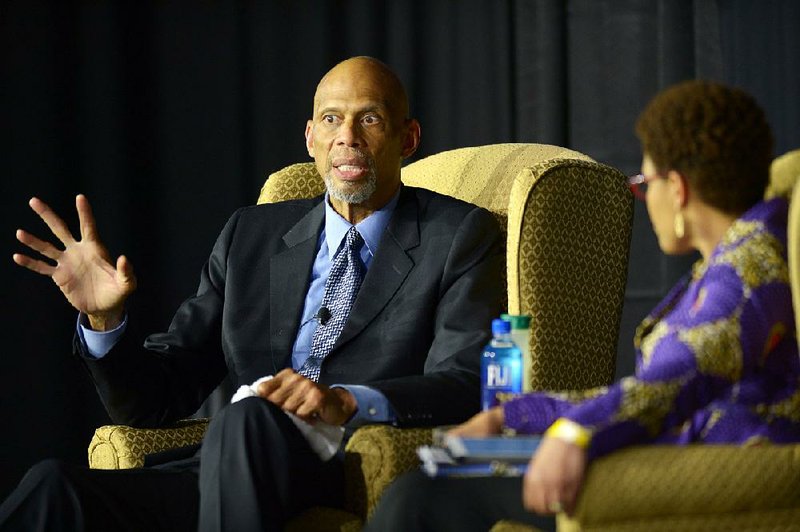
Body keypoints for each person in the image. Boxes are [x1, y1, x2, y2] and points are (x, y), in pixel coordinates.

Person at [1, 56, 505, 531]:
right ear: (310, 137)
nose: (346, 138)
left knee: (247, 420)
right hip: (228, 460)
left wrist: (347, 400)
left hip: (345, 460)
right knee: (55, 488)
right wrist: (105, 323)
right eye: (330, 120)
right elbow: (156, 398)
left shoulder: (457, 236)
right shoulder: (251, 235)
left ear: (408, 138)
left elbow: (464, 380)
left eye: (369, 119)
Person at [365, 80, 800, 532]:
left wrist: (574, 435)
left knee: (421, 496)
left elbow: (672, 380)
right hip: (669, 452)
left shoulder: (747, 271)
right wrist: (511, 415)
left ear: (678, 189)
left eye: (643, 183)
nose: (645, 199)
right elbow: (646, 387)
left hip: (703, 477)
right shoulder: (739, 255)